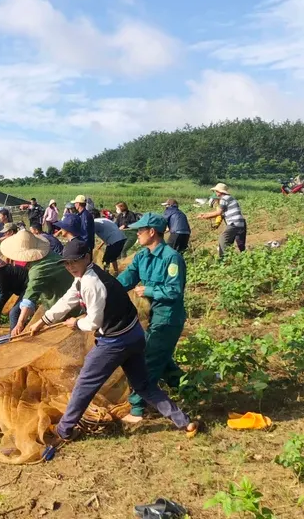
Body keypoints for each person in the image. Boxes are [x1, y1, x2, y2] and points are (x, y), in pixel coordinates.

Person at [26, 239, 198, 445]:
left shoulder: (92, 283)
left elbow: (93, 322)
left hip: (115, 341)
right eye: (66, 263)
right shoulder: (86, 276)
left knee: (84, 384)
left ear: (87, 258)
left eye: (74, 261)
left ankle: (64, 430)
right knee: (143, 385)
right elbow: (68, 299)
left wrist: (75, 323)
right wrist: (43, 321)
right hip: (133, 334)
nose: (70, 266)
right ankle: (184, 422)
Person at [118, 213, 188, 423]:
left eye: (140, 230)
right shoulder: (142, 256)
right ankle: (191, 389)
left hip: (168, 318)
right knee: (163, 360)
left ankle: (138, 409)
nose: (137, 234)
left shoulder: (171, 258)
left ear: (152, 232)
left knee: (148, 361)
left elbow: (174, 291)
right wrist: (107, 290)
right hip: (151, 316)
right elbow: (127, 278)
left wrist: (149, 290)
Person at [0, 230, 74, 336]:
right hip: (66, 298)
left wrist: (20, 324)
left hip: (66, 305)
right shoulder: (50, 255)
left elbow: (29, 299)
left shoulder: (39, 270)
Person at [199, 183, 246, 258]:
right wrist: (215, 222)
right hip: (239, 223)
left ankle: (224, 260)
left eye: (216, 191)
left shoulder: (224, 198)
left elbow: (218, 213)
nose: (215, 193)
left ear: (219, 192)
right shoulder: (228, 198)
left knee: (223, 238)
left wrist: (205, 216)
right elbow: (220, 215)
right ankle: (236, 258)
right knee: (234, 243)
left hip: (234, 223)